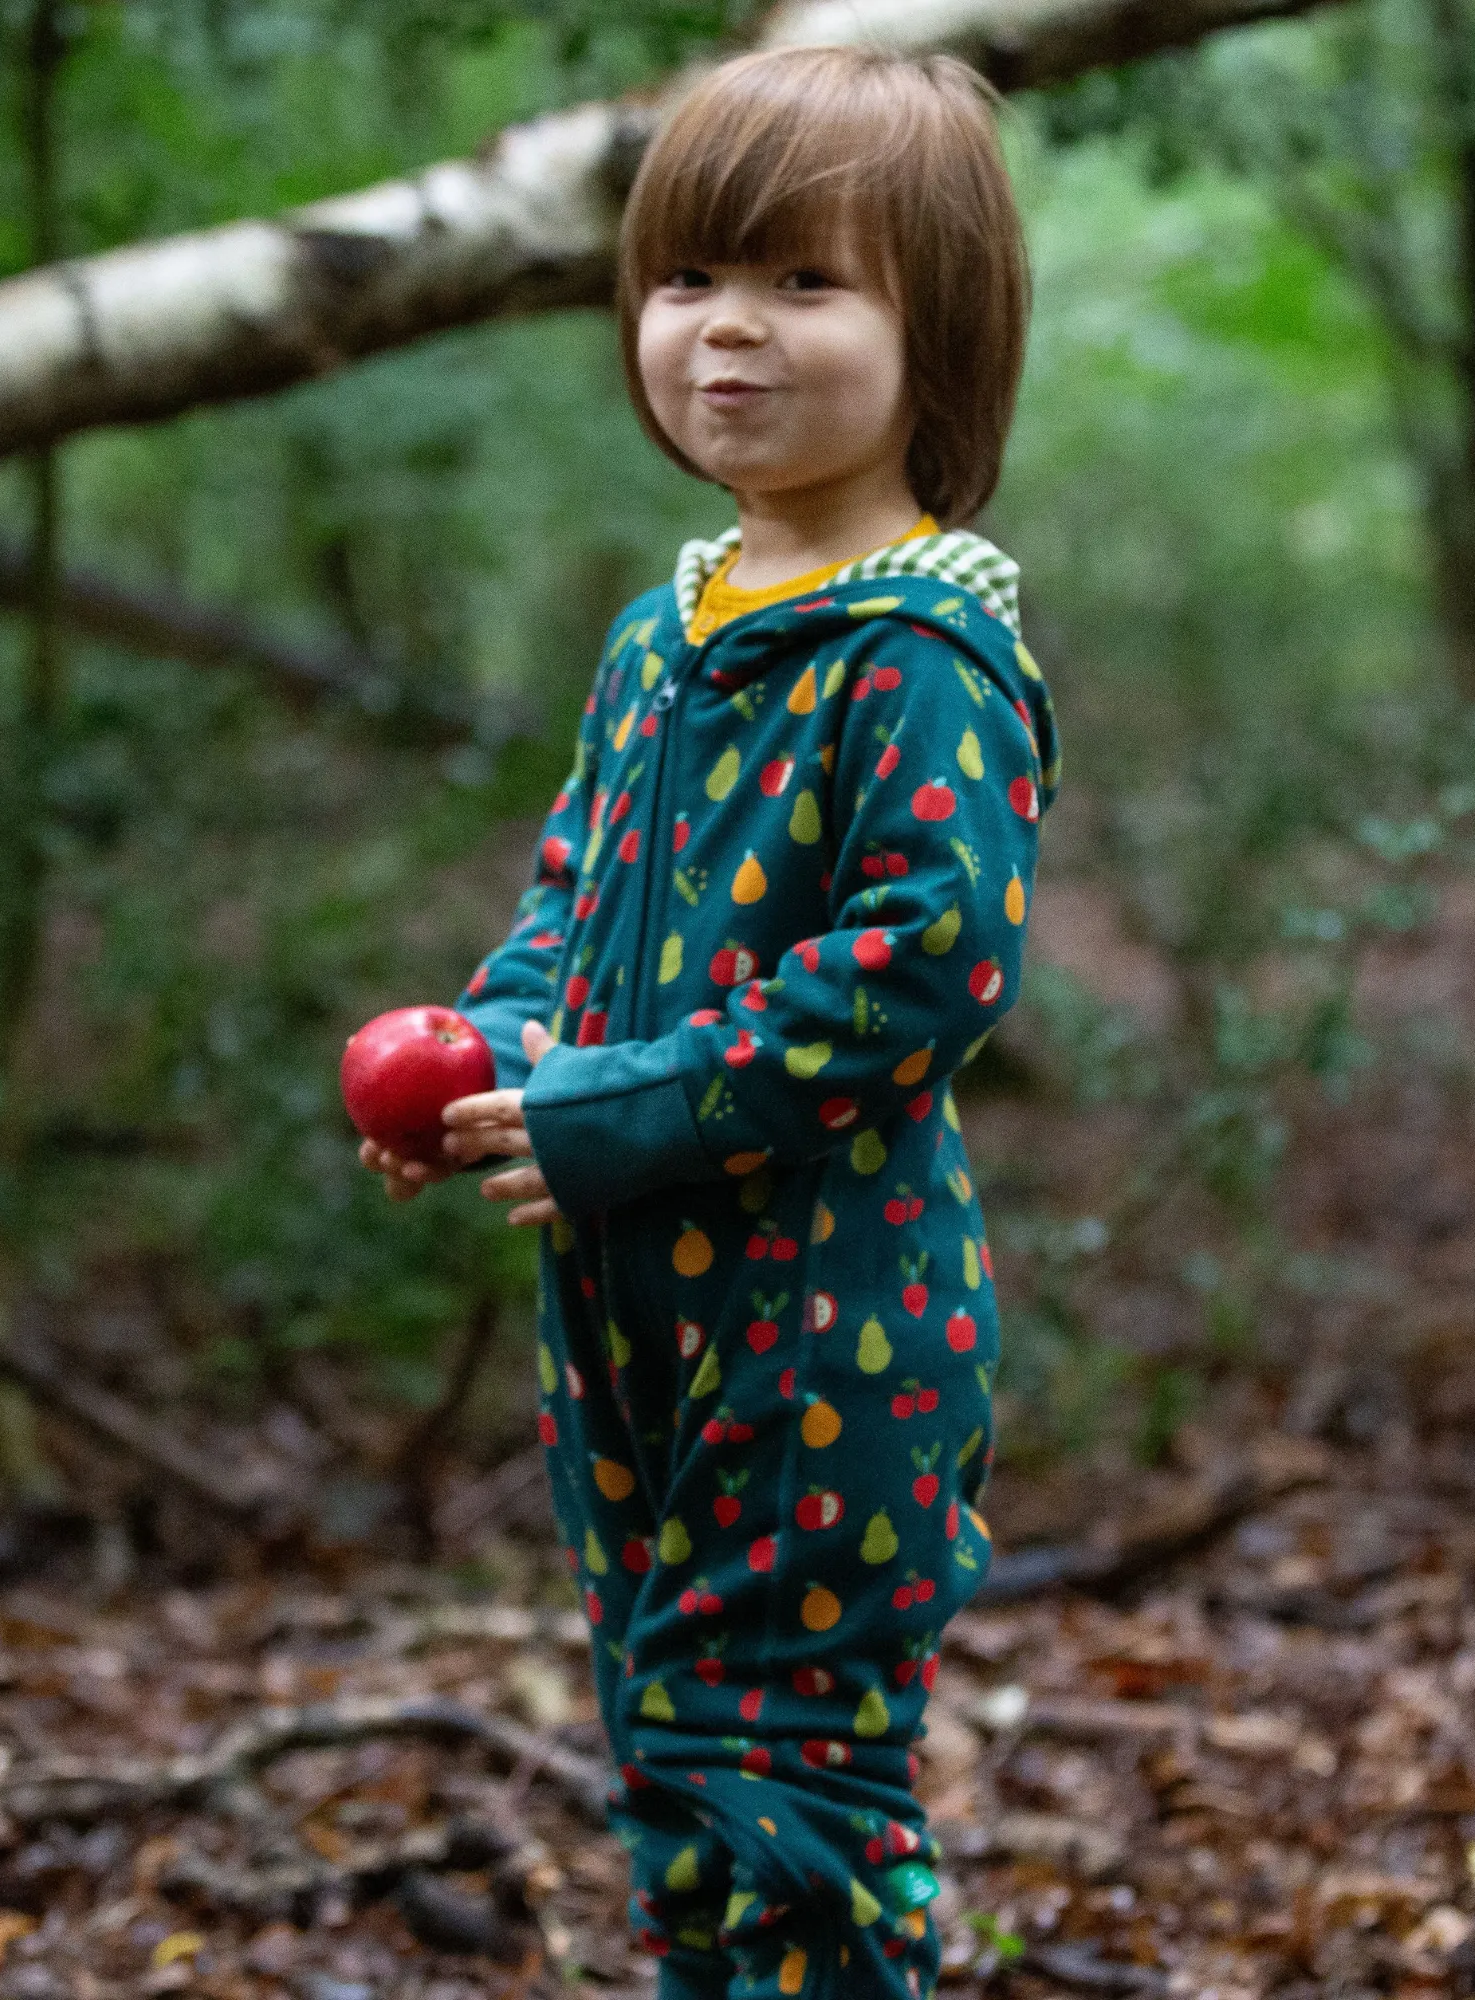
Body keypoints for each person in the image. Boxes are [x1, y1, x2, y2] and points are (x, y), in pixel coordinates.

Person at [359, 43, 1059, 2000]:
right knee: (670, 1744)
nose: (725, 334)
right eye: (685, 281)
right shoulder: (666, 632)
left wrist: (606, 1100)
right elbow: (573, 897)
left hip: (827, 1315)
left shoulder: (922, 649)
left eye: (803, 284)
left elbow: (925, 968)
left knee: (785, 1774)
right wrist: (491, 1056)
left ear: (944, 329)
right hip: (626, 1302)